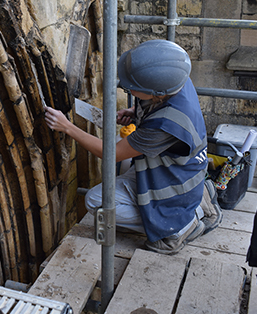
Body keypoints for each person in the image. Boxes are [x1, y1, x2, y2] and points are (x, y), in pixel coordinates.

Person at [45, 39, 222, 254]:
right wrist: (135, 111)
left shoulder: (165, 126)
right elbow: (155, 106)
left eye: (132, 88)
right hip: (178, 172)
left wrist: (67, 127)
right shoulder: (175, 77)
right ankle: (197, 199)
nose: (126, 88)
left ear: (157, 94)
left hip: (171, 185)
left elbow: (110, 154)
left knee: (95, 201)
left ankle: (179, 226)